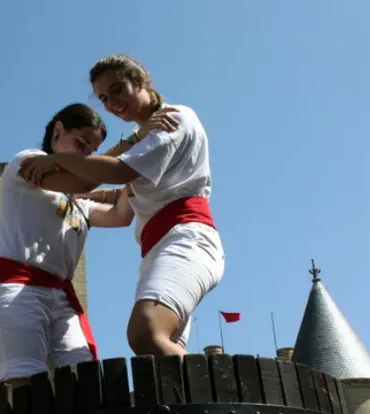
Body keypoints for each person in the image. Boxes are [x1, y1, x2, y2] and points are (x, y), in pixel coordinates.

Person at [20, 54, 226, 358]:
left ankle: (222, 396)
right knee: (160, 359)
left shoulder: (175, 119)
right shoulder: (146, 143)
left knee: (145, 332)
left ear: (140, 80)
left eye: (117, 89)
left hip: (186, 238)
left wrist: (57, 161)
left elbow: (117, 173)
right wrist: (81, 196)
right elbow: (122, 207)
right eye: (103, 98)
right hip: (159, 248)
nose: (112, 103)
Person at [0, 102, 177, 386]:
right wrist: (132, 143)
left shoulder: (79, 204)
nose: (85, 156)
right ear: (58, 131)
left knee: (83, 385)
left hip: (61, 299)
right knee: (24, 389)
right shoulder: (28, 162)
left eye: (91, 152)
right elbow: (84, 181)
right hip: (16, 288)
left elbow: (121, 216)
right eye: (80, 144)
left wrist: (141, 167)